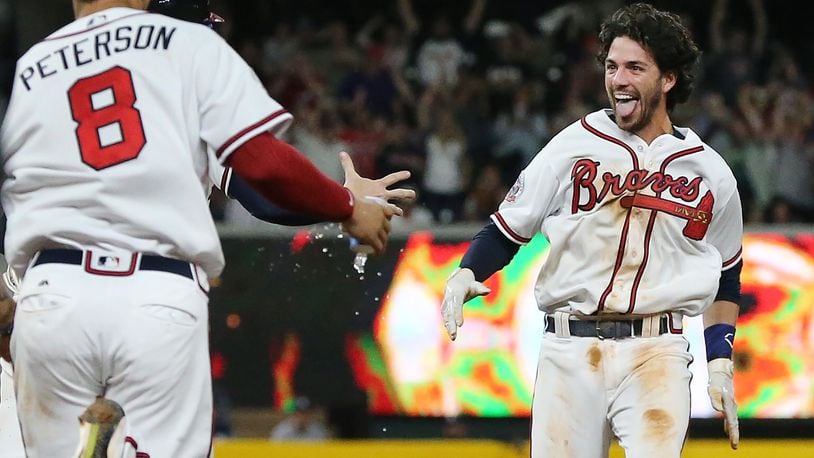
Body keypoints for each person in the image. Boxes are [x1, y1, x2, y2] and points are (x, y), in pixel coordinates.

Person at [0, 1, 413, 457]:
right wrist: (347, 203)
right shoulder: (182, 53)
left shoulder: (37, 65)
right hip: (153, 290)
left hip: (49, 293)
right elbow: (263, 182)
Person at [440, 4, 742, 457]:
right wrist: (467, 272)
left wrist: (719, 362)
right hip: (569, 349)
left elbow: (727, 275)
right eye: (612, 66)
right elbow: (508, 227)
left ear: (668, 79)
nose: (618, 79)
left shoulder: (710, 172)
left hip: (656, 352)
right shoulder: (574, 143)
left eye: (635, 68)